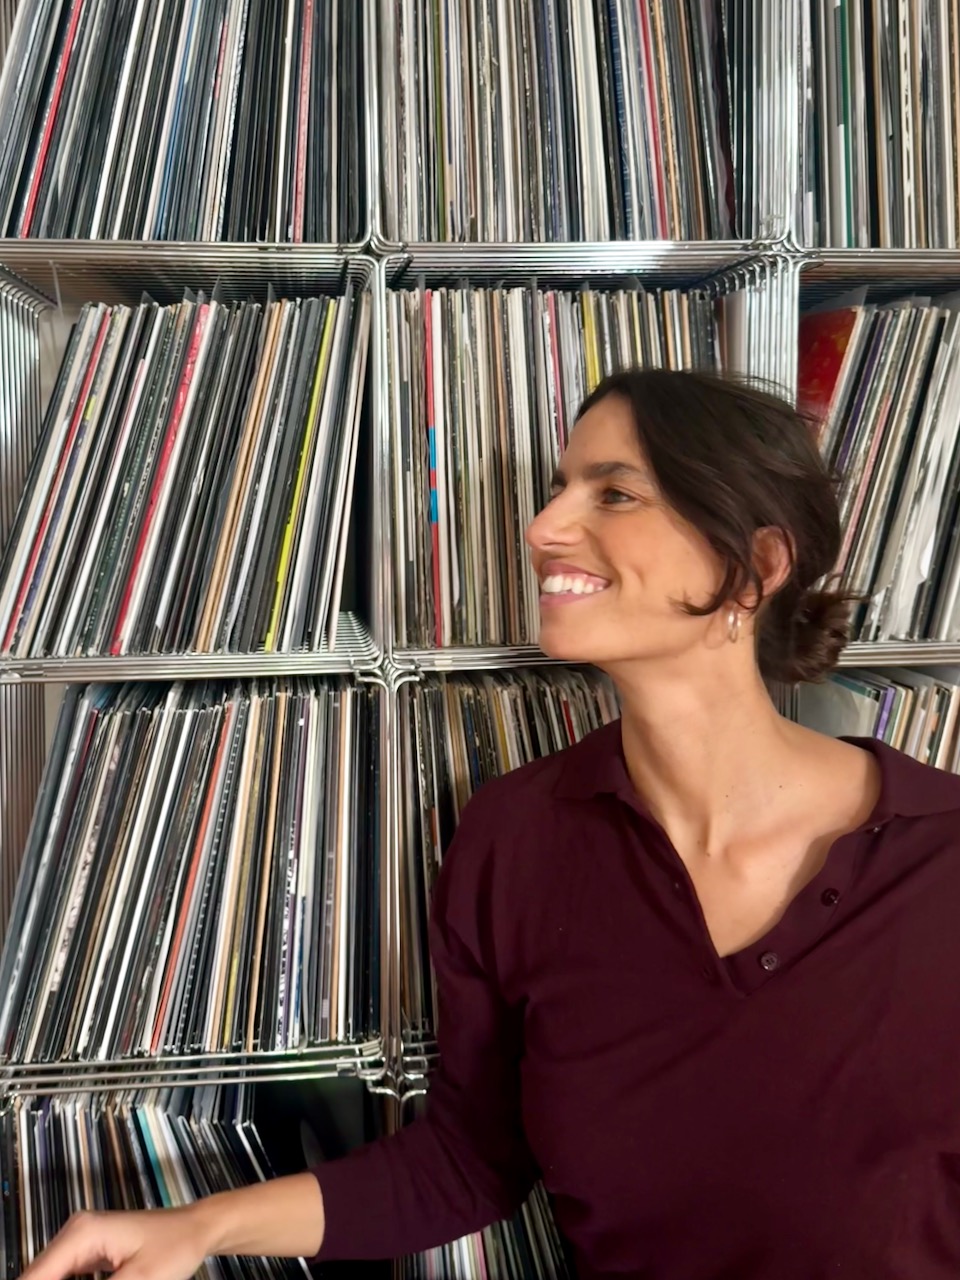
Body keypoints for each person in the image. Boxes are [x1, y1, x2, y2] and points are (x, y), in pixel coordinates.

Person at [20, 368, 960, 1280]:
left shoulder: (943, 858)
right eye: (559, 488)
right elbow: (470, 1160)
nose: (543, 527)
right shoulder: (514, 840)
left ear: (756, 566)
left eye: (615, 493)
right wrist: (196, 1228)